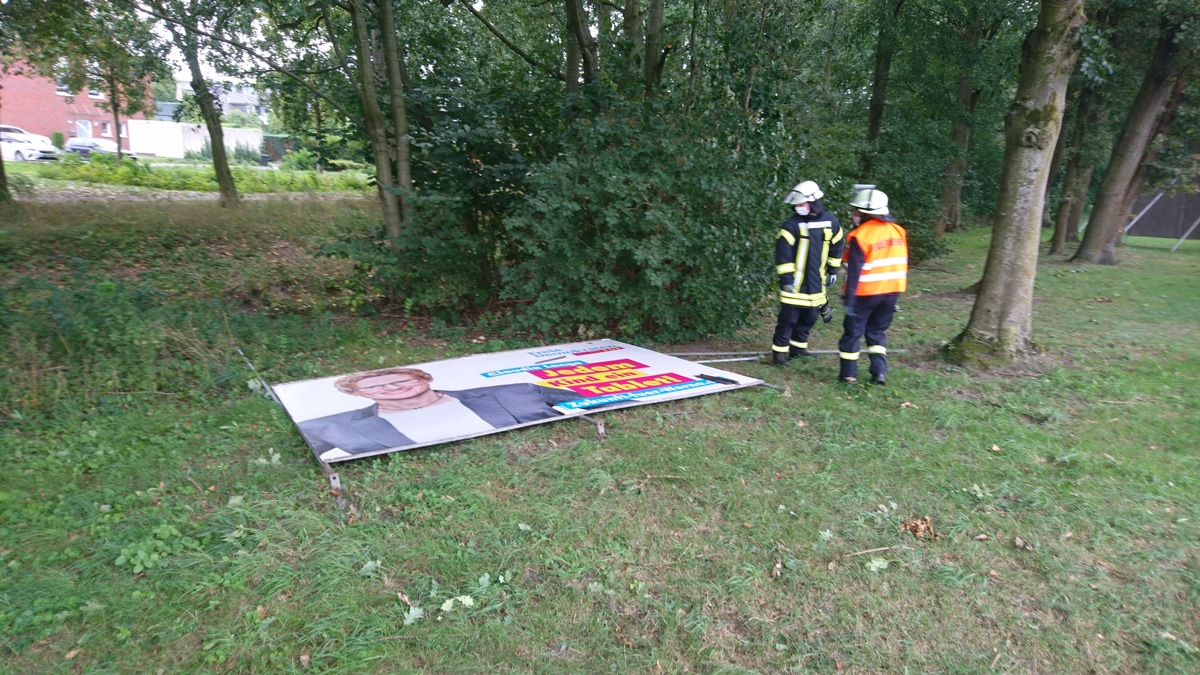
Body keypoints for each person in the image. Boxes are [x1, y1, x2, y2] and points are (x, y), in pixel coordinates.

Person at [297, 367, 582, 458]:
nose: (392, 387)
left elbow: (596, 401)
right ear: (358, 394)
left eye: (402, 380)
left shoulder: (514, 391)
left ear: (425, 378)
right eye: (378, 385)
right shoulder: (328, 427)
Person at [837, 187, 908, 385]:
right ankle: (879, 372)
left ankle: (848, 375)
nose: (854, 215)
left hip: (865, 293)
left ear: (865, 212)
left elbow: (854, 270)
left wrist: (849, 299)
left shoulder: (860, 235)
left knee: (853, 333)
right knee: (877, 332)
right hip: (892, 291)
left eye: (857, 211)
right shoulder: (898, 231)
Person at [771, 180, 844, 367]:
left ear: (813, 202)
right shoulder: (791, 225)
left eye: (801, 204)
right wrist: (786, 279)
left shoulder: (830, 221)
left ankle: (798, 350)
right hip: (794, 285)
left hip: (816, 284)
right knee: (787, 321)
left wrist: (833, 269)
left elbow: (837, 246)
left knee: (809, 319)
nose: (798, 207)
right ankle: (779, 355)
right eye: (796, 204)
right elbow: (783, 256)